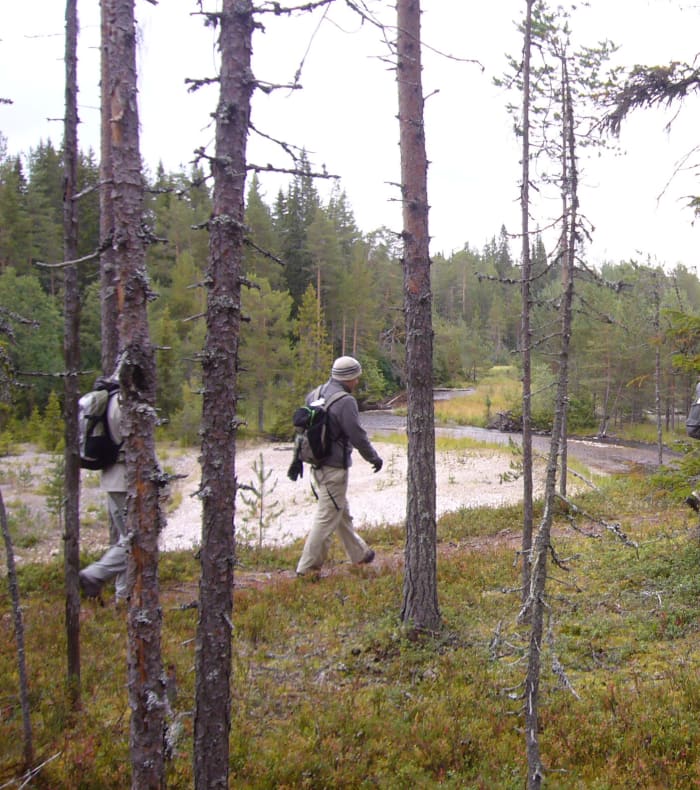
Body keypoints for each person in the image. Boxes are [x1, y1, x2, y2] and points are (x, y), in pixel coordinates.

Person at [296, 356, 383, 576]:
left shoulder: (315, 394)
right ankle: (307, 568)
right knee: (327, 517)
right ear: (350, 377)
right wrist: (373, 458)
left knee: (340, 510)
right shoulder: (345, 401)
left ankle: (359, 553)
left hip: (317, 466)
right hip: (335, 468)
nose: (357, 382)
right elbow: (357, 434)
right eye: (356, 377)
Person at [79, 381, 128, 605]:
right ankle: (95, 574)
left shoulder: (107, 400)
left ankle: (124, 598)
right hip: (128, 482)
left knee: (126, 539)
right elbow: (140, 446)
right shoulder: (126, 403)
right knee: (139, 540)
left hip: (112, 479)